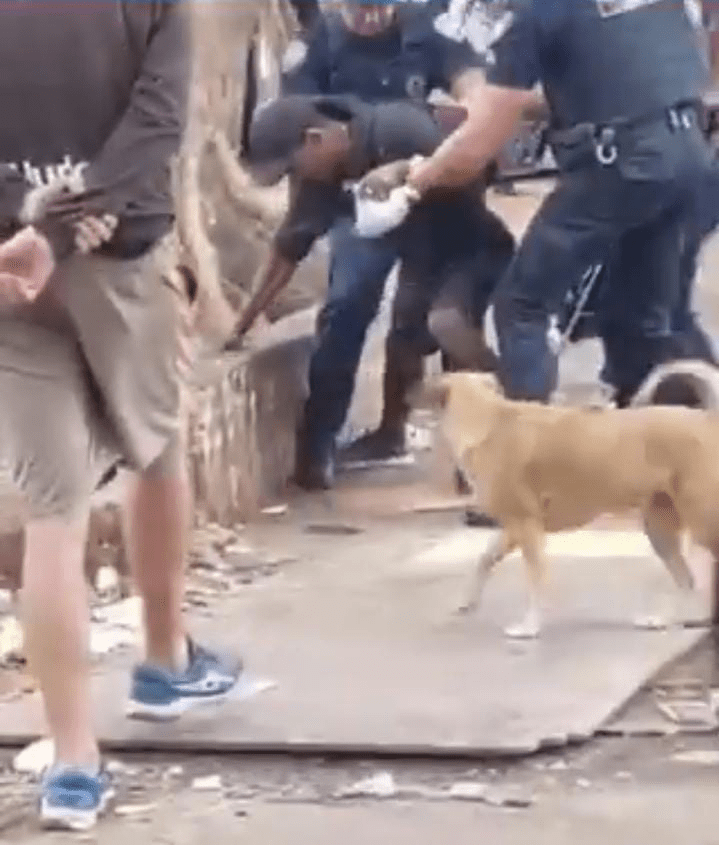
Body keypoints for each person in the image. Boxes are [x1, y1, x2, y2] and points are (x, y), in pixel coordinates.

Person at [0, 2, 242, 830]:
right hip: (116, 253)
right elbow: (158, 119)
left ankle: (72, 763)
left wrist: (29, 219)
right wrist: (75, 217)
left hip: (7, 266)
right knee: (159, 440)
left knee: (53, 513)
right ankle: (165, 659)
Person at [364, 0, 717, 407]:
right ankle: (682, 444)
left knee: (522, 307)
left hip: (620, 167)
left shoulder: (535, 13)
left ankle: (529, 448)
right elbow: (629, 71)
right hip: (693, 156)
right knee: (647, 319)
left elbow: (475, 150)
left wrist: (414, 178)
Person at [234, 93, 515, 487]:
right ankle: (343, 446)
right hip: (419, 250)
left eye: (291, 167)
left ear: (316, 140)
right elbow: (288, 250)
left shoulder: (397, 127)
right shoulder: (323, 179)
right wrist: (241, 325)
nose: (293, 179)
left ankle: (502, 422)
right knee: (373, 324)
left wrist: (406, 172)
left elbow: (472, 165)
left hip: (469, 245)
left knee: (447, 325)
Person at [266, 0, 489, 487]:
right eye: (358, 7)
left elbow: (470, 81)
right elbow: (301, 146)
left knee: (440, 314)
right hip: (351, 200)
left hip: (427, 192)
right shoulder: (315, 48)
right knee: (348, 304)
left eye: (380, 7)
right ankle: (318, 445)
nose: (370, 17)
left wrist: (468, 108)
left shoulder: (426, 28)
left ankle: (469, 448)